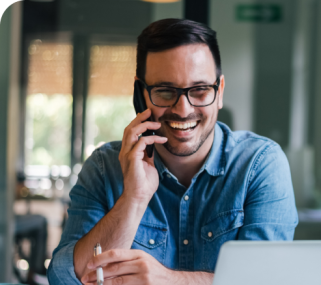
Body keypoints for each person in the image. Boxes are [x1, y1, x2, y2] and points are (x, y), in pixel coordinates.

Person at [47, 18, 298, 285]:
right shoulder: (103, 167)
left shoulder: (260, 164)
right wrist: (134, 199)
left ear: (220, 90)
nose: (183, 109)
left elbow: (268, 280)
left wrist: (168, 280)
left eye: (200, 90)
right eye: (165, 91)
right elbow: (63, 279)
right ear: (141, 94)